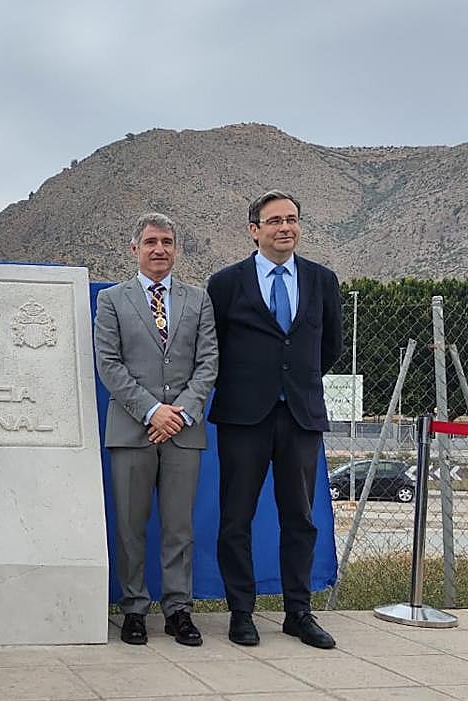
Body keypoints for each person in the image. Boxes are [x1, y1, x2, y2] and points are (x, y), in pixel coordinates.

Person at [207, 190, 343, 649]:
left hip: (300, 417)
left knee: (300, 519)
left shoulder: (322, 281)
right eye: (274, 221)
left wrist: (293, 387)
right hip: (244, 419)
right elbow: (215, 348)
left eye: (292, 219)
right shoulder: (225, 284)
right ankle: (241, 612)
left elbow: (329, 349)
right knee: (236, 518)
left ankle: (297, 612)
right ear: (254, 230)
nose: (285, 227)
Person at [94, 213, 219, 646]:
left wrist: (179, 412)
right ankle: (132, 608)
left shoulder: (198, 300)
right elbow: (109, 364)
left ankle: (178, 609)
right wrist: (152, 412)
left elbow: (208, 363)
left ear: (176, 249)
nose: (159, 249)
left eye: (167, 241)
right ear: (135, 249)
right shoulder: (112, 300)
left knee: (179, 526)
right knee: (130, 525)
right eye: (151, 242)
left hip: (183, 432)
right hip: (132, 430)